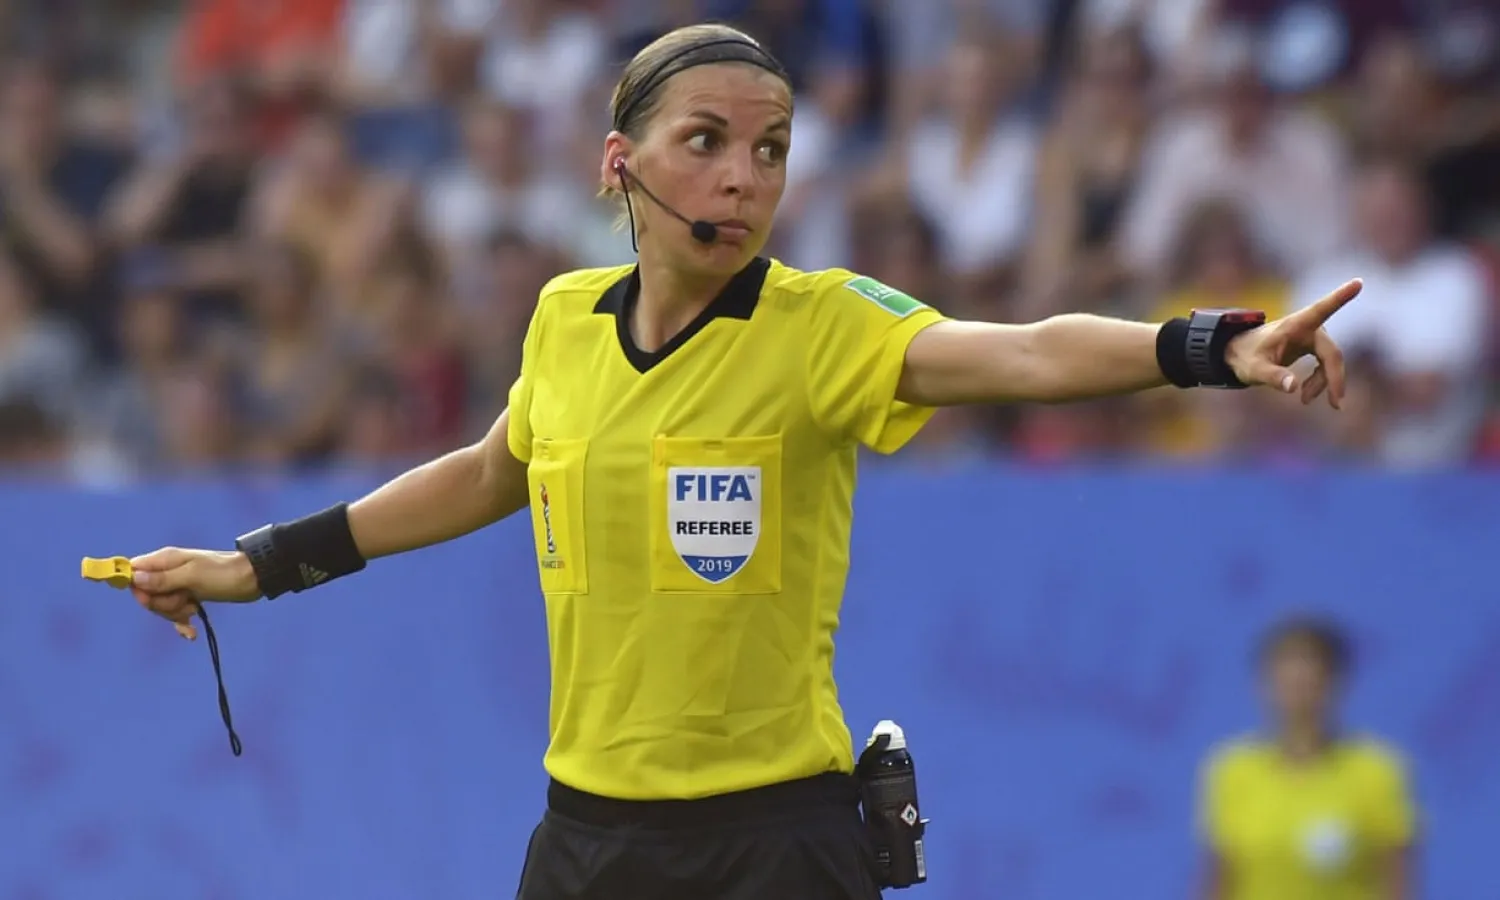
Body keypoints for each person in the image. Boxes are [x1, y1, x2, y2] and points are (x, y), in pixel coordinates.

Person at [125, 23, 1365, 900]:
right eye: (707, 139)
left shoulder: (822, 324)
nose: (746, 175)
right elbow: (493, 471)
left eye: (771, 149)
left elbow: (1029, 352)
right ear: (620, 163)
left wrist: (1208, 346)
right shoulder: (563, 317)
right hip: (588, 843)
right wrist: (259, 565)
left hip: (779, 846)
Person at [1198, 618, 1418, 900]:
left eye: (1310, 671)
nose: (1298, 685)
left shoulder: (1376, 770)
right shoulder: (1233, 770)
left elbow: (1397, 882)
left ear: (1335, 681)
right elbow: (1217, 881)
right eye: (1286, 674)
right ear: (1264, 684)